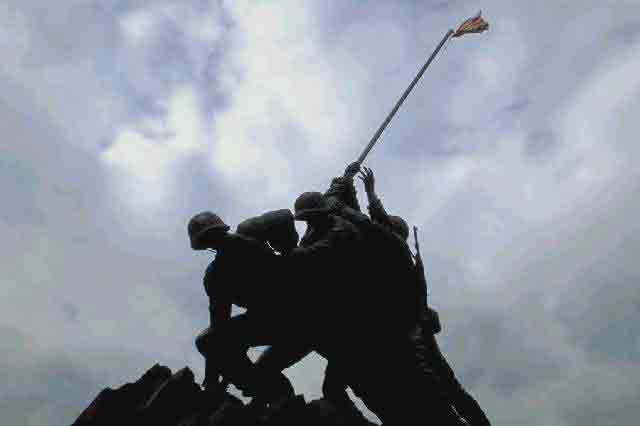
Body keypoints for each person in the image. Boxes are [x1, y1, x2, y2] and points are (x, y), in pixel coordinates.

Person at [189, 211, 298, 405]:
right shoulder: (216, 277)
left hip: (298, 314)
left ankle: (267, 389)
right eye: (210, 237)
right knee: (209, 342)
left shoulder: (251, 232)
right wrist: (214, 376)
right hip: (271, 321)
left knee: (209, 342)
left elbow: (285, 216)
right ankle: (267, 390)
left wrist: (289, 251)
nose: (215, 240)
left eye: (214, 235)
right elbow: (219, 329)